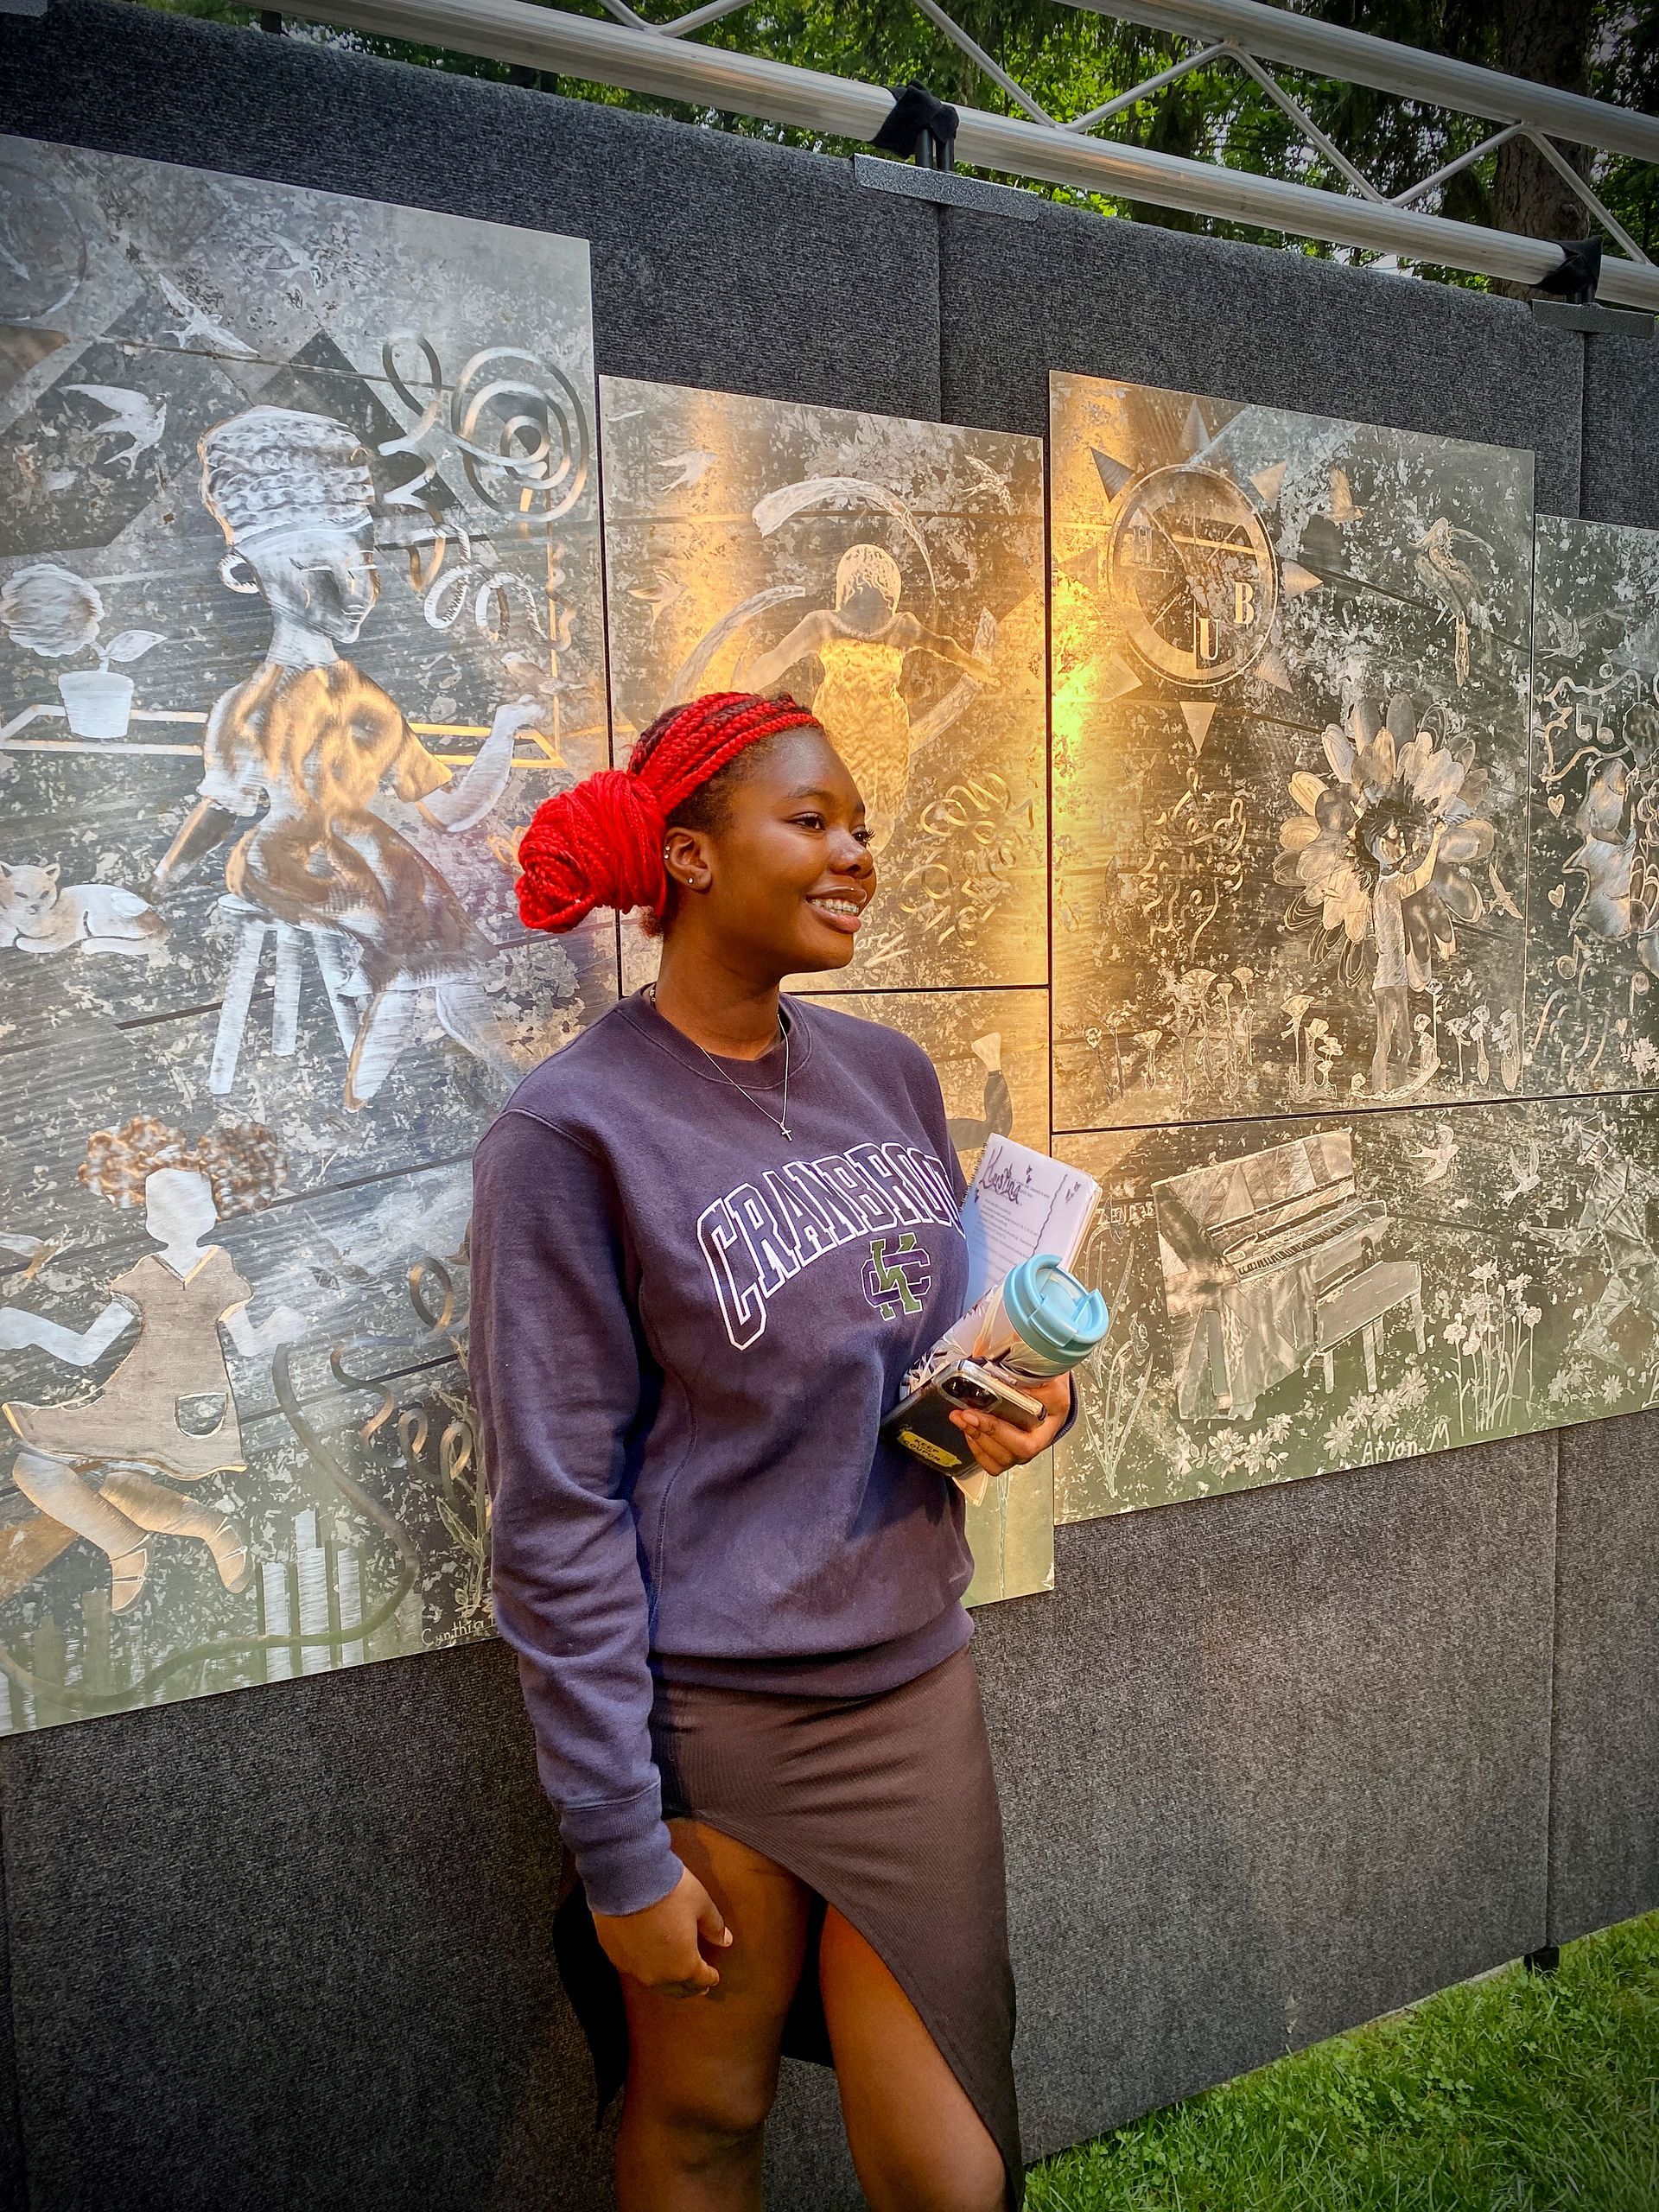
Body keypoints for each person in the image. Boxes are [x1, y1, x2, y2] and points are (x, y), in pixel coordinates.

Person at [469, 690, 1073, 2212]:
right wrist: (618, 1846)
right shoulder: (572, 1132)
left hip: (911, 1692)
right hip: (714, 1734)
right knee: (703, 2120)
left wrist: (1033, 1400)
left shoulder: (887, 1074)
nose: (856, 850)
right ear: (684, 855)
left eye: (861, 822)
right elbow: (555, 1515)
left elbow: (950, 1342)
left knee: (956, 2168)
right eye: (811, 819)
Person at [152, 405, 540, 1109]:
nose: (357, 587)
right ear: (250, 573)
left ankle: (509, 1081)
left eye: (363, 559)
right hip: (291, 858)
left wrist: (503, 734)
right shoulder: (252, 704)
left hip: (375, 852)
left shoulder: (369, 698)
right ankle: (372, 1082)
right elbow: (222, 804)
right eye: (314, 564)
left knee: (438, 940)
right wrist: (166, 874)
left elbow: (448, 809)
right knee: (397, 928)